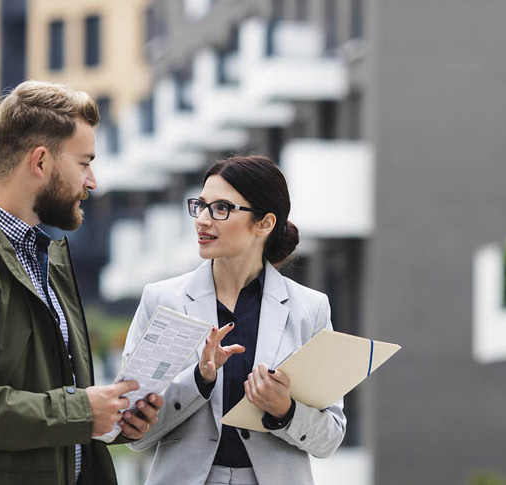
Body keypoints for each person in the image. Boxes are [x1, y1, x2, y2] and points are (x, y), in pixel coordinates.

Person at [0, 80, 163, 485]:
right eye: (84, 163)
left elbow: (48, 404)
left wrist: (109, 417)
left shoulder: (47, 257)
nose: (92, 182)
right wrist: (80, 412)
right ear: (40, 162)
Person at [122, 156, 347, 484]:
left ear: (264, 223)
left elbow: (330, 438)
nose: (202, 219)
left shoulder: (309, 309)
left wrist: (284, 410)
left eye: (221, 208)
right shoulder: (162, 300)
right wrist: (198, 380)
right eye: (200, 205)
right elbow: (134, 432)